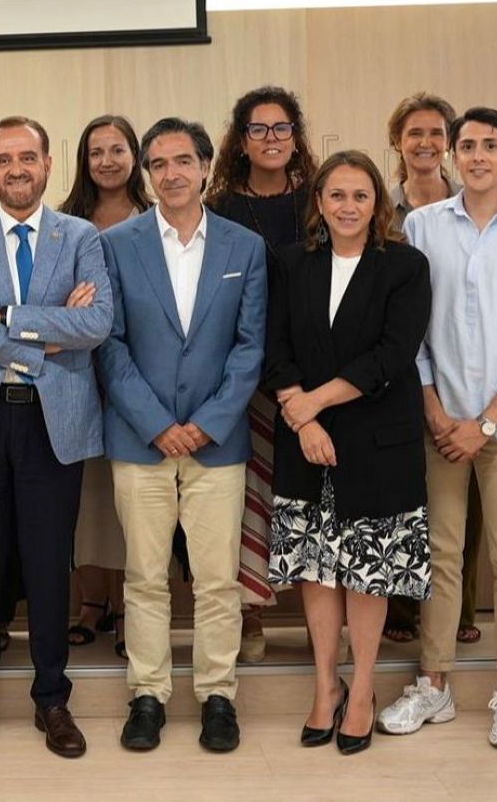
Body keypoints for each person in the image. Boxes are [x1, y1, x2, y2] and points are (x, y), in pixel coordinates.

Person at [378, 107, 497, 751]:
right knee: (439, 553)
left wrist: (486, 423)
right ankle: (435, 684)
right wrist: (435, 409)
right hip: (440, 421)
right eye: (468, 145)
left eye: (491, 145)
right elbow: (414, 330)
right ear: (453, 157)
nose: (477, 155)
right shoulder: (422, 226)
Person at [0, 115, 113, 759]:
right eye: (3, 159)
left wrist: (9, 319)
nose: (16, 169)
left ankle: (51, 700)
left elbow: (96, 322)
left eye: (27, 157)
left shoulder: (81, 235)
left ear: (47, 163)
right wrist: (48, 335)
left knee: (47, 568)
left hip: (53, 426)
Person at [98, 117, 266, 754]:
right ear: (148, 174)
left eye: (182, 161)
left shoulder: (243, 248)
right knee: (143, 575)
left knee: (217, 577)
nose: (170, 174)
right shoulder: (118, 244)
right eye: (158, 164)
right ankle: (147, 694)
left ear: (204, 167)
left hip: (217, 441)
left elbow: (250, 349)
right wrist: (159, 424)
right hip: (140, 438)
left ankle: (218, 694)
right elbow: (109, 347)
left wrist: (205, 424)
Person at [263, 150, 433, 756]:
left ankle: (361, 690)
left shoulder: (406, 266)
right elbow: (274, 345)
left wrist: (313, 404)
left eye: (360, 196)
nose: (348, 207)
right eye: (336, 195)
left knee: (368, 571)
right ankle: (323, 686)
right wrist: (300, 416)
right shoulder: (290, 263)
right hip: (303, 441)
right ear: (319, 202)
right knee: (315, 568)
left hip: (378, 441)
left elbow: (392, 353)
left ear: (376, 203)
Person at [207, 85, 320, 662]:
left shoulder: (322, 199)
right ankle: (251, 617)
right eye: (259, 130)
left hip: (312, 375)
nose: (271, 139)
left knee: (312, 497)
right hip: (245, 374)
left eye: (281, 129)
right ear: (241, 140)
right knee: (249, 496)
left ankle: (320, 620)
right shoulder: (221, 207)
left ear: (296, 137)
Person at [382, 93, 485, 648]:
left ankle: (461, 606)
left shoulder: (472, 200)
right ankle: (402, 604)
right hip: (398, 368)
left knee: (463, 503)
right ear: (397, 141)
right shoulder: (382, 207)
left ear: (450, 142)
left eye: (436, 133)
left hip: (463, 367)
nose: (425, 143)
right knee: (408, 492)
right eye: (413, 133)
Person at [60, 114, 154, 656]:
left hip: (134, 368)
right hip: (74, 370)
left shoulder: (153, 216)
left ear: (134, 155)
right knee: (86, 497)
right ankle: (91, 602)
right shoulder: (67, 220)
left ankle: (126, 605)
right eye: (96, 152)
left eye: (117, 150)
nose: (107, 161)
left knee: (129, 497)